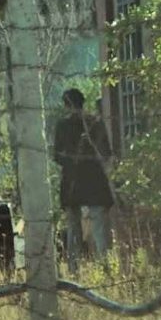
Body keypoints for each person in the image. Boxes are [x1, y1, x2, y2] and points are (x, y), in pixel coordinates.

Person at [53, 89, 114, 272]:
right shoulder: (95, 122)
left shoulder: (62, 125)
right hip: (94, 179)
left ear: (66, 104)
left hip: (72, 180)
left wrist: (70, 162)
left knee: (73, 227)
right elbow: (106, 153)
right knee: (99, 226)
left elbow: (56, 155)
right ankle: (105, 267)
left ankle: (74, 268)